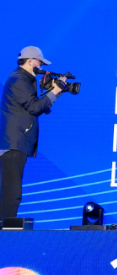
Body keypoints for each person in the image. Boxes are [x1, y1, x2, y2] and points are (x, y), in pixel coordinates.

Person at [1, 47, 65, 221]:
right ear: (30, 61)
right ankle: (8, 228)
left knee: (8, 187)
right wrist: (54, 91)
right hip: (13, 143)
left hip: (15, 142)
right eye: (39, 62)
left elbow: (37, 107)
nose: (41, 67)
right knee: (11, 189)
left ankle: (5, 226)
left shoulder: (24, 79)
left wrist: (55, 94)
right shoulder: (19, 79)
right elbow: (35, 107)